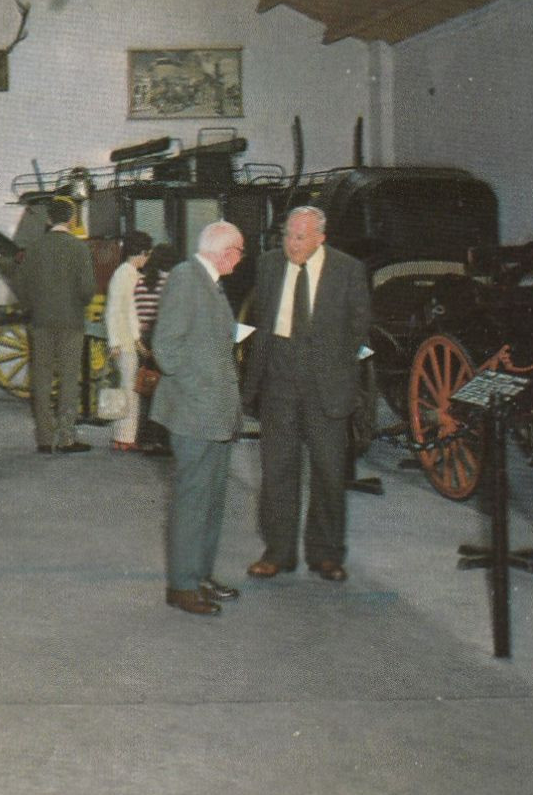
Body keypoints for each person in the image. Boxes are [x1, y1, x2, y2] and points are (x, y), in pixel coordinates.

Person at [242, 206, 371, 583]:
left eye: (300, 238)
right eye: (286, 236)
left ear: (320, 238)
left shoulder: (348, 270)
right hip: (278, 382)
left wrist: (340, 371)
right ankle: (277, 552)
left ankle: (326, 554)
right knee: (276, 471)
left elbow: (360, 328)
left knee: (329, 473)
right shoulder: (267, 265)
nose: (291, 245)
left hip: (326, 386)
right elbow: (260, 323)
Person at [148, 221, 246, 616]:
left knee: (211, 501)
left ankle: (200, 573)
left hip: (215, 413)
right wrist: (203, 386)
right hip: (196, 413)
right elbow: (165, 348)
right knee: (192, 501)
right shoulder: (187, 279)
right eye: (239, 252)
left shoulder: (209, 282)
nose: (240, 260)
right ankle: (182, 586)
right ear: (225, 252)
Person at [18, 198, 97, 453]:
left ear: (49, 220)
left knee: (40, 379)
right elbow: (87, 290)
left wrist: (35, 306)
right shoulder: (79, 249)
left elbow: (22, 289)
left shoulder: (34, 248)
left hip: (40, 322)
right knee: (68, 380)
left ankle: (43, 438)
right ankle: (66, 438)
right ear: (71, 220)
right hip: (71, 322)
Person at [104, 230, 152, 451]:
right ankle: (125, 438)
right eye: (147, 254)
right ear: (141, 253)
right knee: (129, 390)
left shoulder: (123, 273)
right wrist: (135, 340)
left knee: (125, 388)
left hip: (121, 341)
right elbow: (122, 311)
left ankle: (121, 435)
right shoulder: (128, 275)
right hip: (126, 342)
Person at [136, 242, 180, 456]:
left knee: (147, 389)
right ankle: (163, 439)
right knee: (165, 391)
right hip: (163, 337)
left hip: (144, 338)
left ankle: (145, 437)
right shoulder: (171, 283)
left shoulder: (141, 282)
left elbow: (137, 313)